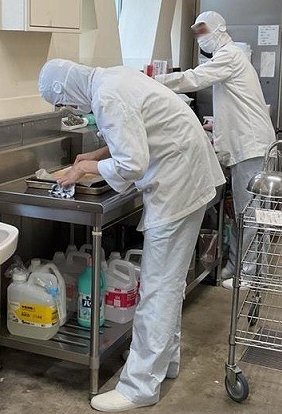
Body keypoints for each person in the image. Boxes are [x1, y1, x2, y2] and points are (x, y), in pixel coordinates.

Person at [39, 59, 225, 412]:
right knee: (167, 283)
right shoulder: (112, 78)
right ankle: (162, 361)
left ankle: (140, 386)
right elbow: (137, 131)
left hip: (178, 185)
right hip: (187, 176)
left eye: (62, 103)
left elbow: (132, 164)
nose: (69, 109)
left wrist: (86, 167)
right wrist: (96, 154)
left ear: (66, 89)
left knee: (158, 287)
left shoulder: (107, 96)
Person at [155, 11, 275, 289]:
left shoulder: (230, 55)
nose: (200, 38)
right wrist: (216, 128)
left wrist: (154, 81)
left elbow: (194, 79)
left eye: (203, 31)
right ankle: (236, 265)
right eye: (197, 32)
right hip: (247, 142)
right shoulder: (229, 57)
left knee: (250, 212)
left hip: (251, 145)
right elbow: (235, 103)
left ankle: (251, 274)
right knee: (243, 212)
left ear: (219, 29)